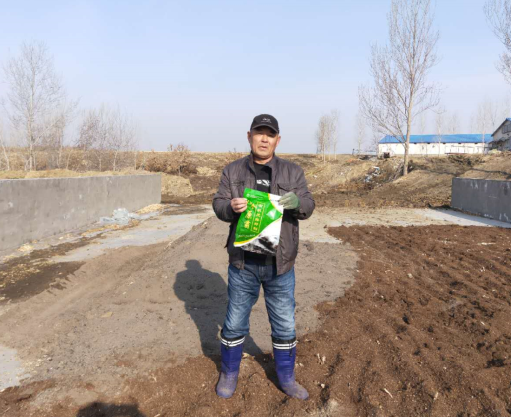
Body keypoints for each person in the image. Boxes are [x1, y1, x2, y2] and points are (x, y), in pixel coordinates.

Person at [212, 114, 315, 400]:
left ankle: (287, 378)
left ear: (277, 140)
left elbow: (308, 204)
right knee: (234, 321)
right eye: (259, 133)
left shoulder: (293, 172)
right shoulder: (232, 171)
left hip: (279, 266)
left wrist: (297, 203)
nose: (264, 139)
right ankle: (229, 373)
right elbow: (218, 204)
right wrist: (230, 207)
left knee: (284, 323)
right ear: (249, 136)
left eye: (270, 134)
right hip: (243, 263)